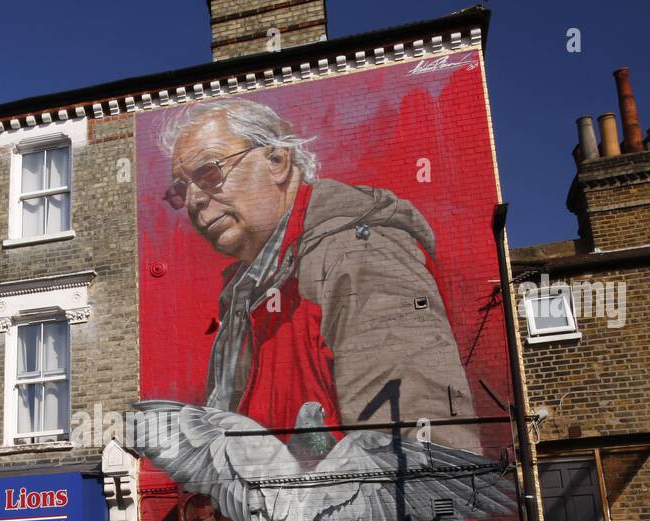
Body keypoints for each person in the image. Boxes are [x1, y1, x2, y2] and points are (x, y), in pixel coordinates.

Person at [159, 99, 480, 455]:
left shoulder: (356, 255)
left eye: (209, 172)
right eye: (180, 189)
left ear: (277, 161)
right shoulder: (248, 291)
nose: (193, 200)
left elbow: (419, 456)